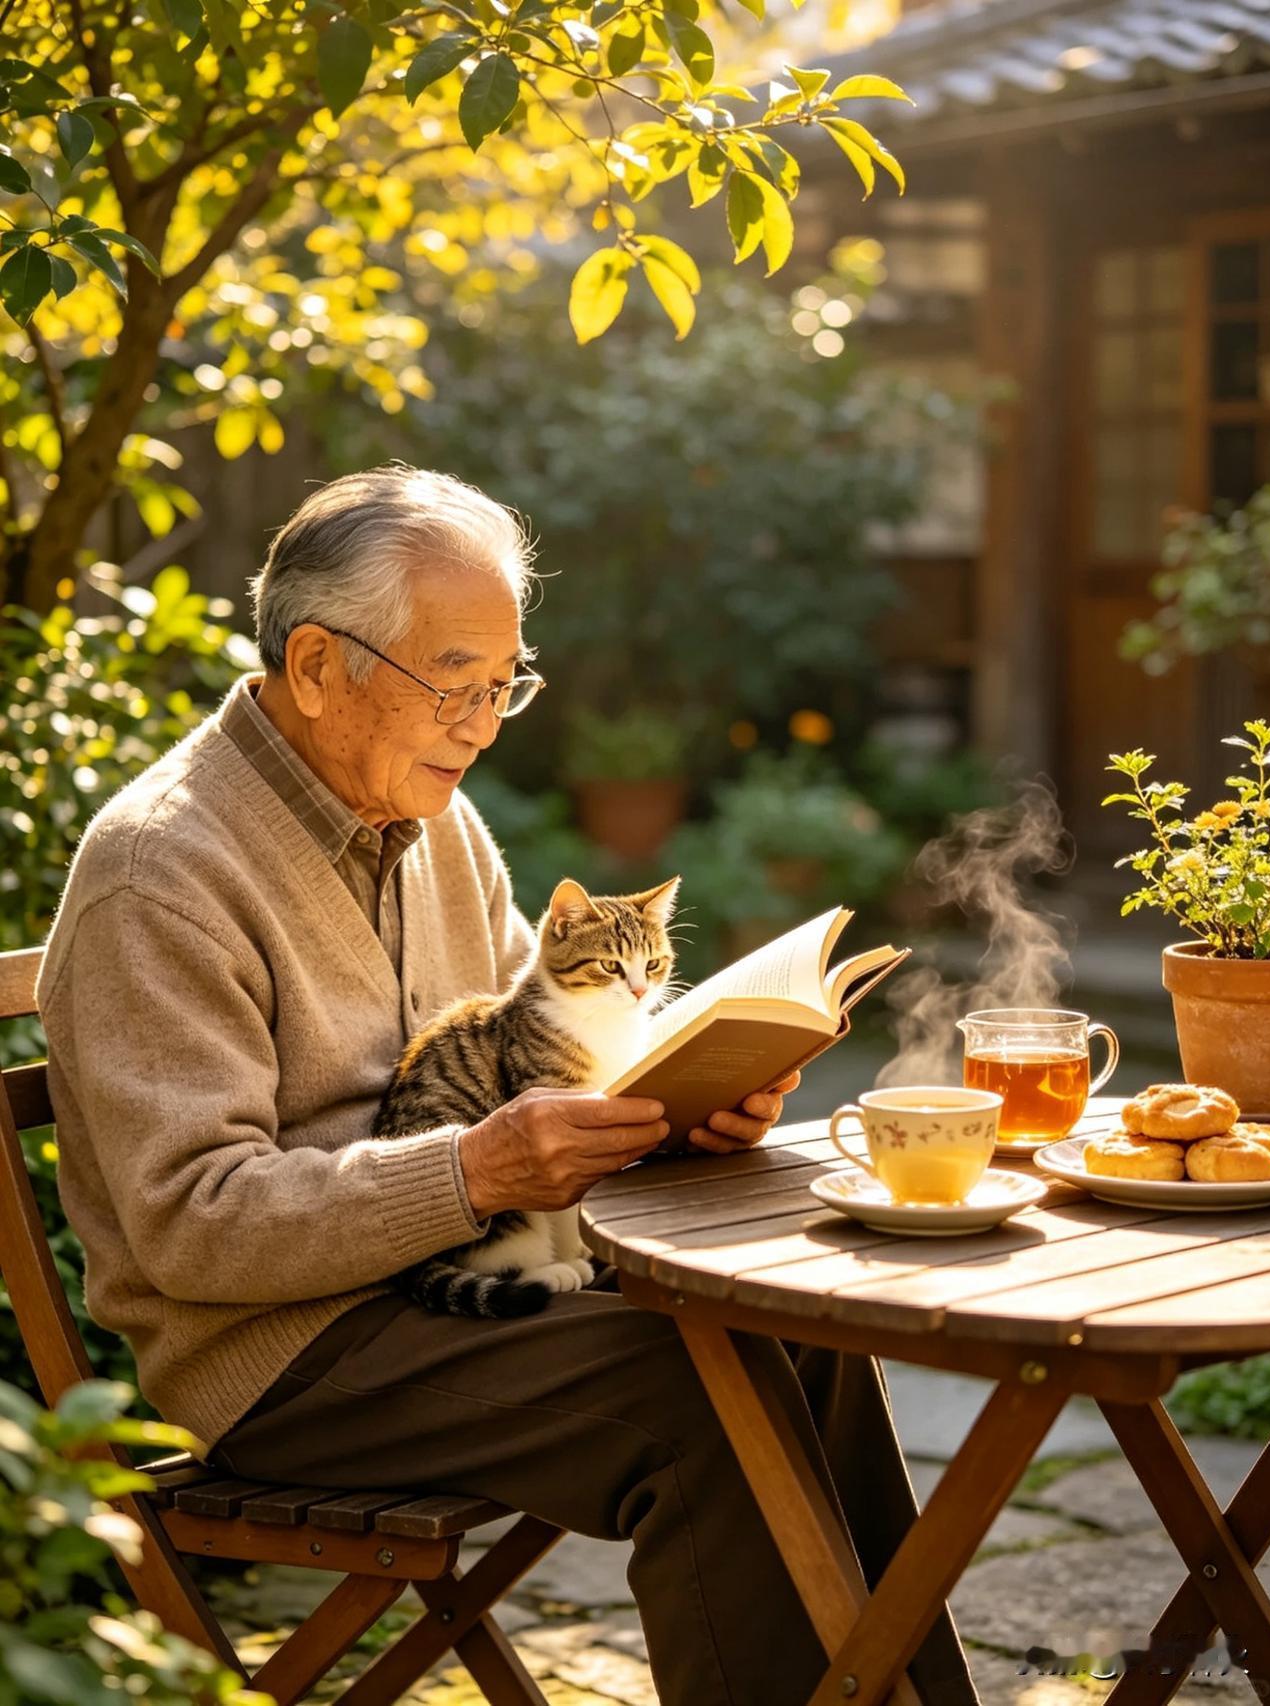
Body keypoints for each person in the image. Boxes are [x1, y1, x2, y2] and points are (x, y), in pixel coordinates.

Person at [37, 464, 977, 1705]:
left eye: (504, 684)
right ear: (316, 665)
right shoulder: (158, 873)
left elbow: (516, 1079)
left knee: (802, 1339)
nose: (483, 723)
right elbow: (195, 1226)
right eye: (455, 682)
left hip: (459, 1278)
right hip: (273, 1355)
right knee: (699, 1404)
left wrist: (672, 1119)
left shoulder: (439, 822)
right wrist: (474, 1168)